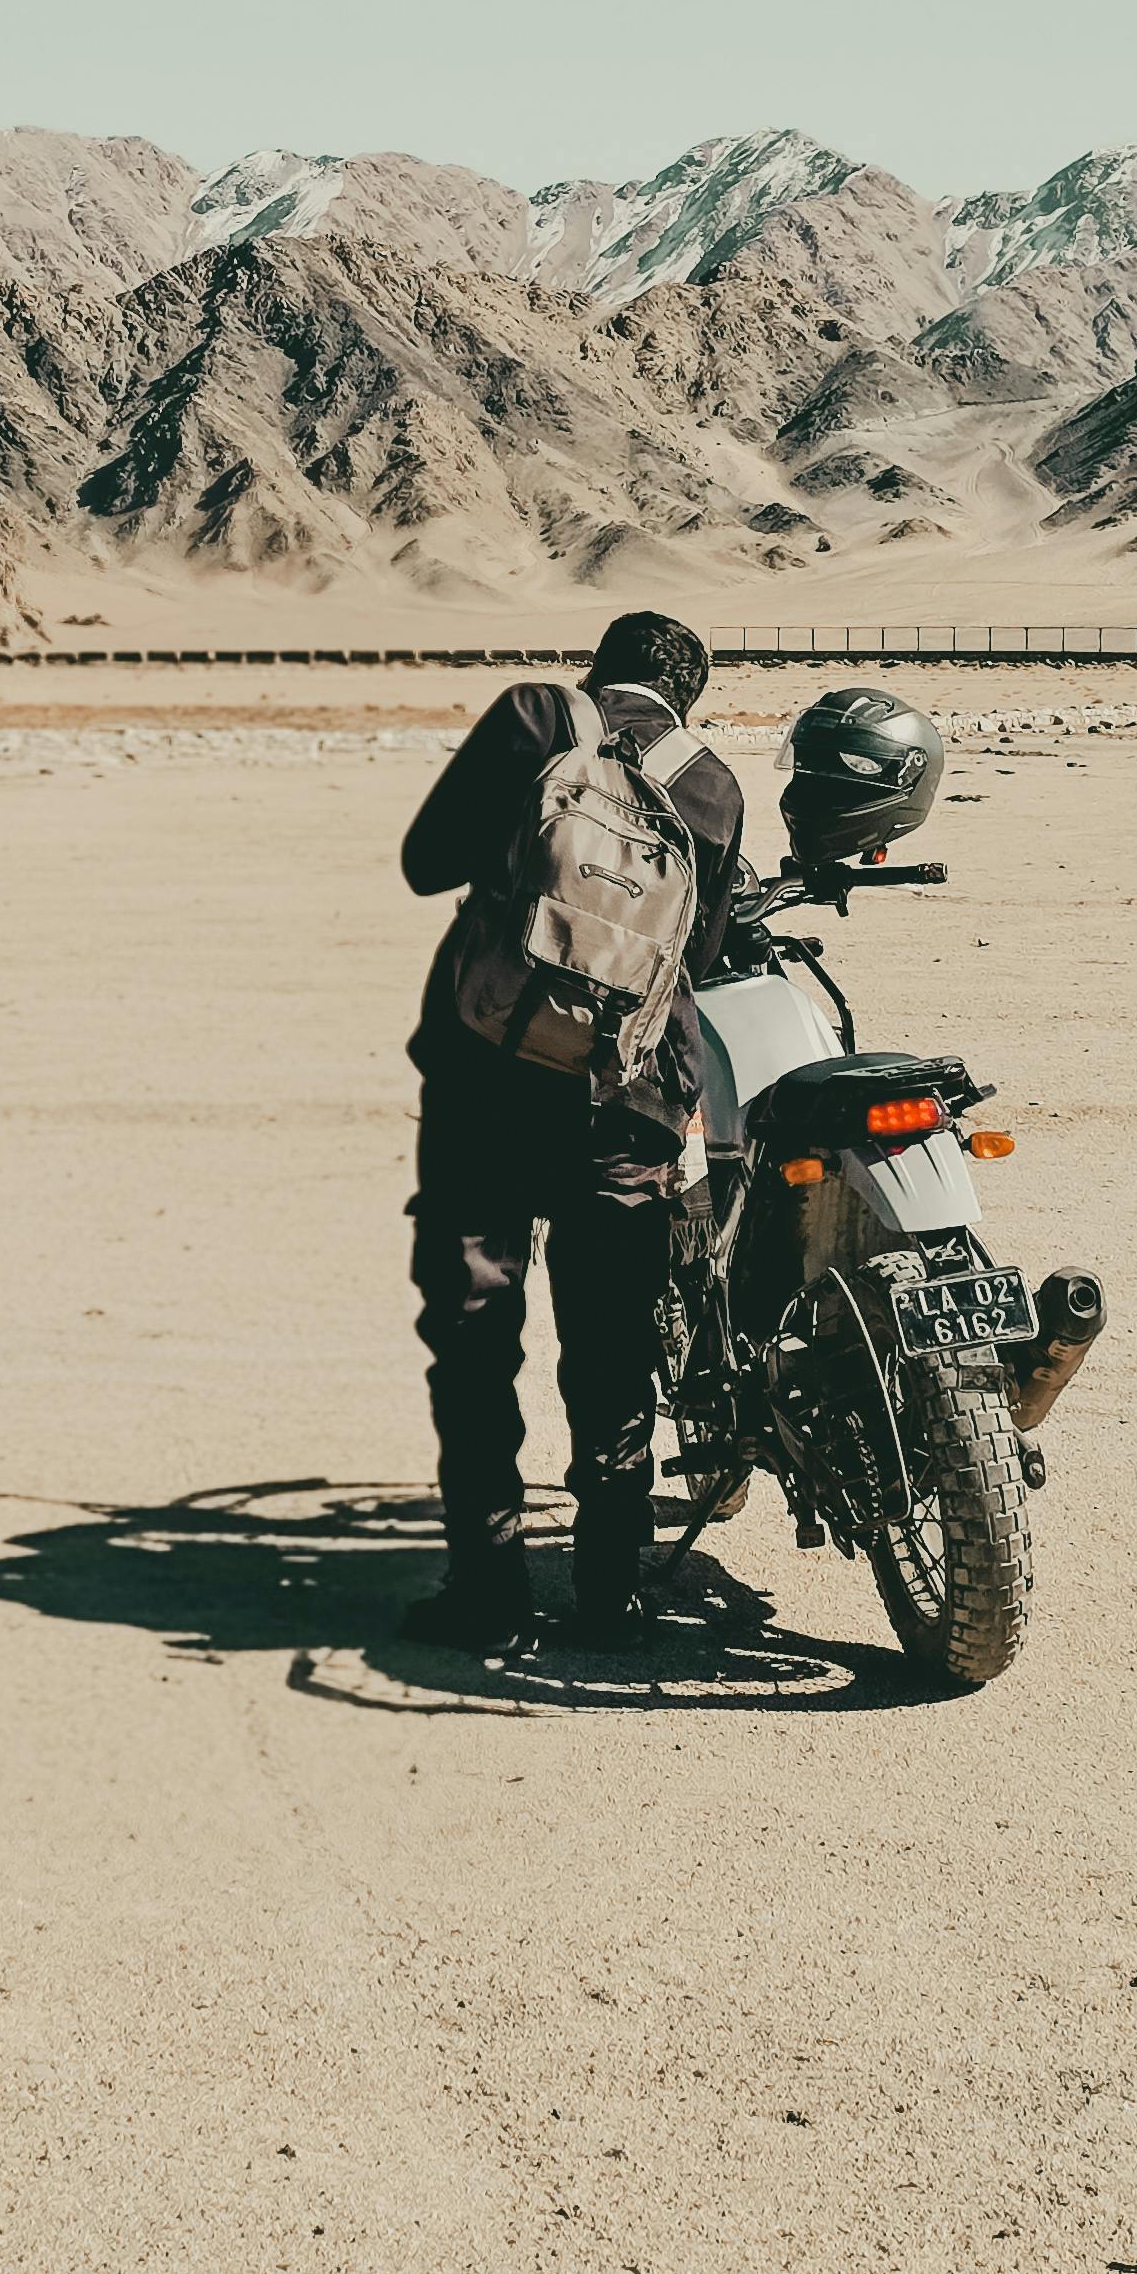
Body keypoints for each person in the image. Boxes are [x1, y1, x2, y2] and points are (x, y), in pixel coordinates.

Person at [398, 609, 744, 1655]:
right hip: (626, 1102)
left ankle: (489, 1591)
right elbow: (701, 955)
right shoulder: (709, 784)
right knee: (611, 1350)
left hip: (484, 1082)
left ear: (599, 670)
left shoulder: (534, 716)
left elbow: (424, 862)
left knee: (474, 1341)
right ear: (687, 697)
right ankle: (608, 1593)